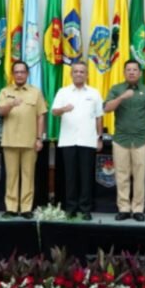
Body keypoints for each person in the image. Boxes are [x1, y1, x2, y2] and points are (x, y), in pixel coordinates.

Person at [104, 59, 145, 222]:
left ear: (140, 73)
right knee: (121, 175)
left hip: (141, 139)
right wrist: (121, 97)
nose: (132, 72)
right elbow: (106, 108)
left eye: (135, 70)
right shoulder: (116, 89)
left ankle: (138, 209)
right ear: (124, 72)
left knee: (140, 176)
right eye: (129, 70)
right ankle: (124, 208)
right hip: (121, 139)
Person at [51, 61, 103, 220]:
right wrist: (63, 109)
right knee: (70, 177)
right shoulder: (63, 92)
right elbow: (54, 112)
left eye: (82, 72)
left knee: (86, 176)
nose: (79, 74)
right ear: (71, 74)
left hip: (88, 140)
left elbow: (99, 117)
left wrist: (99, 138)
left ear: (87, 75)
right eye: (76, 71)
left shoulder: (94, 93)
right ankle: (71, 208)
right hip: (68, 140)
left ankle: (85, 209)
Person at [0, 61, 47, 219]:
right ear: (13, 74)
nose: (19, 74)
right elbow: (1, 113)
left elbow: (41, 116)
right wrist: (11, 104)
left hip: (30, 141)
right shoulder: (5, 91)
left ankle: (26, 208)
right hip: (10, 141)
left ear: (27, 74)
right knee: (11, 176)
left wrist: (39, 138)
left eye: (22, 72)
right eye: (16, 72)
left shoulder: (36, 92)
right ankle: (11, 207)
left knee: (28, 175)